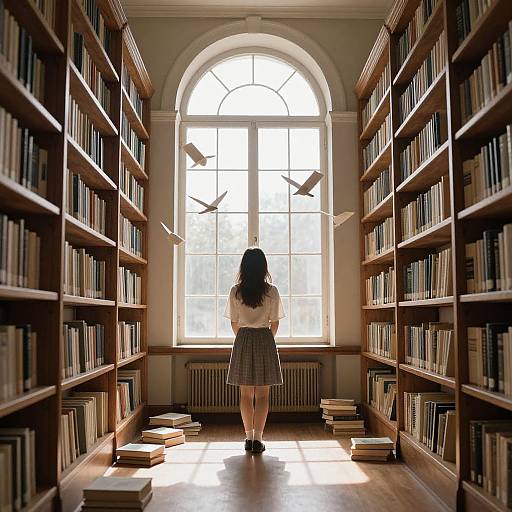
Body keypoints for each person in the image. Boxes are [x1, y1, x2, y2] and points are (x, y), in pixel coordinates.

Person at [224, 247, 285, 454]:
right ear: (263, 267)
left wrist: (244, 338)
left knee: (245, 395)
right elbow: (275, 323)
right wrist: (266, 339)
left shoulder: (236, 291)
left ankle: (248, 437)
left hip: (243, 338)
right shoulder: (272, 291)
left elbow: (234, 323)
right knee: (263, 396)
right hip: (265, 338)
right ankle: (258, 439)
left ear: (244, 267)